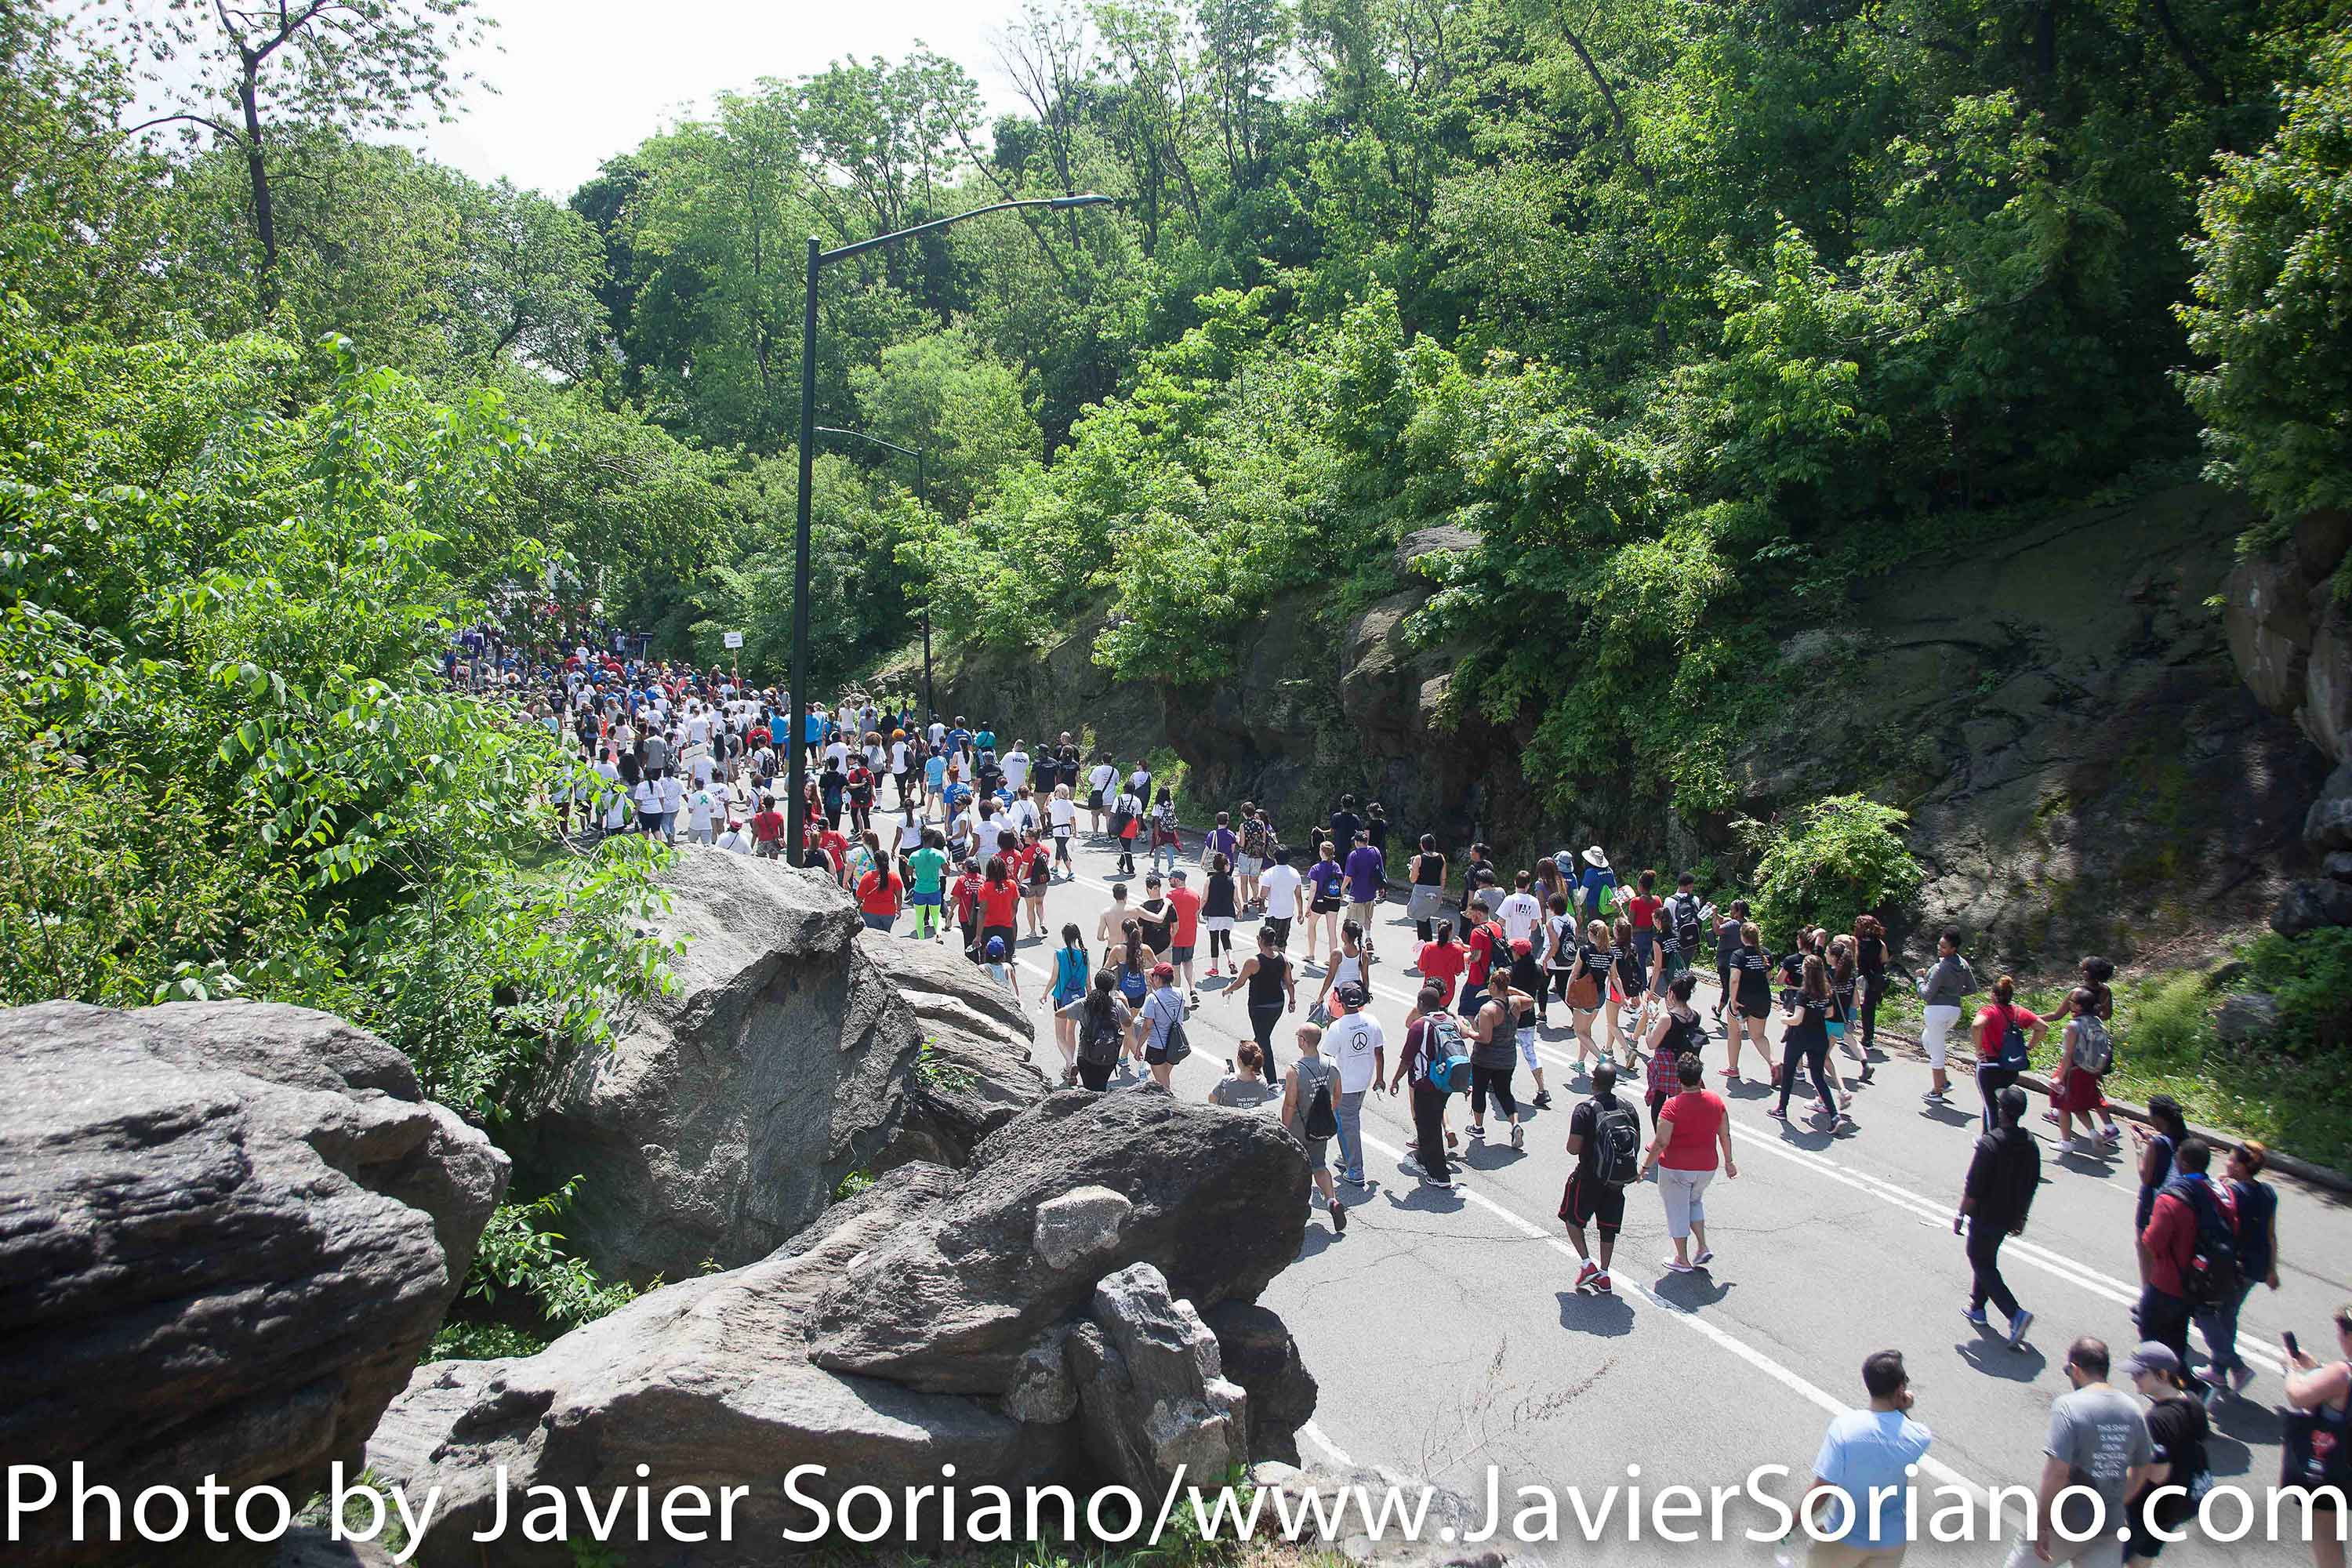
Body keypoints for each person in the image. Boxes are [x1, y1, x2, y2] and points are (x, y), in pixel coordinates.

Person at [2002, 1337, 2153, 1568]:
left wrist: (2042, 1523)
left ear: (2075, 1369)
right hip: (2109, 1525)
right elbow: (2142, 1468)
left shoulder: (2069, 1406)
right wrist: (2118, 1501)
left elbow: (2057, 1472)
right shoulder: (2132, 1409)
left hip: (2066, 1520)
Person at [1802, 1350, 1933, 1568]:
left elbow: (1822, 1491)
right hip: (1890, 1543)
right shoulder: (1920, 1437)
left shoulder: (1845, 1429)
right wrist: (1902, 1408)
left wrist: (1794, 1522)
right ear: (1900, 1388)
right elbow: (1902, 1431)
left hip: (1842, 1536)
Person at [2136, 1137, 2234, 1399]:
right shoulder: (2218, 1193)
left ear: (2181, 1162)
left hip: (2167, 1282)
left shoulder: (2172, 1198)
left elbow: (2152, 1242)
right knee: (2177, 1341)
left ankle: (2168, 1390)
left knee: (2150, 1334)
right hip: (2198, 1284)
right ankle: (2192, 1390)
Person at [1958, 1086, 2040, 1350]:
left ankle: (2015, 1314)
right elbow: (2031, 1184)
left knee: (1979, 1260)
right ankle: (1977, 1307)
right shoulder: (2030, 1144)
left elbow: (1973, 1186)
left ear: (2002, 1111)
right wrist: (2022, 1216)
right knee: (1987, 1258)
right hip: (2010, 1215)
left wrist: (1961, 1212)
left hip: (1986, 1215)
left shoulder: (1990, 1144)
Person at [2200, 1140, 2280, 1403]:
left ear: (2244, 1168)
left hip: (2235, 1265)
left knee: (2207, 1314)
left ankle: (2237, 1368)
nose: (2227, 1162)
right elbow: (2270, 1234)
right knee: (2228, 1314)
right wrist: (2272, 1269)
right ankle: (2218, 1371)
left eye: (2232, 1160)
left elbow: (2220, 1221)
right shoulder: (2267, 1192)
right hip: (2256, 1265)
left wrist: (2220, 1187)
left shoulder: (2234, 1193)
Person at [1641, 1053, 1734, 1274]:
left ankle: (1682, 1259)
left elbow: (1661, 1141)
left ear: (1678, 1079)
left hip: (1676, 1167)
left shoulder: (1672, 1106)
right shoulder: (1716, 1101)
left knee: (1676, 1210)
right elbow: (1725, 1135)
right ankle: (1701, 1247)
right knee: (1694, 1203)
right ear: (1700, 1077)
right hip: (1707, 1167)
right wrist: (1729, 1162)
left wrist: (1645, 1166)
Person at [2121, 1342, 2209, 1566]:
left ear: (2162, 1374)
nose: (2133, 1378)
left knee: (2101, 1558)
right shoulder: (2193, 1401)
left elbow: (2157, 1474)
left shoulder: (2156, 1421)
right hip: (2181, 1503)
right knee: (2142, 1559)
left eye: (2139, 1373)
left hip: (2150, 1509)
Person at [2281, 1306, 2352, 1568]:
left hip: (2333, 1464)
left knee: (2325, 1530)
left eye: (2340, 1333)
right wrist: (2317, 1369)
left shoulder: (2342, 1372)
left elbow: (2298, 1396)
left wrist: (2292, 1370)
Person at [1563, 1062, 1639, 1295]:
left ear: (1593, 1081)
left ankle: (1587, 1265)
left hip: (1589, 1177)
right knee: (1608, 1228)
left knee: (1572, 1219)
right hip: (1617, 1180)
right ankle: (1604, 1274)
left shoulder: (1585, 1110)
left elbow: (1573, 1149)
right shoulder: (1628, 1107)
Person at [1389, 982, 1460, 1189]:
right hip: (1446, 1081)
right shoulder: (1450, 1021)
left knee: (1427, 1126)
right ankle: (1424, 1155)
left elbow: (1407, 1059)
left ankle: (1440, 1175)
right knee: (1434, 1118)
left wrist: (1395, 1080)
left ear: (1421, 1003)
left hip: (1425, 1083)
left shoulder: (1420, 1025)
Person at [1279, 1023, 1347, 1233]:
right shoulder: (1332, 1065)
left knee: (1295, 1169)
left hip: (1299, 1128)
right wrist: (1327, 1114)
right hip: (1321, 1127)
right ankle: (1331, 1201)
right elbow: (1338, 1096)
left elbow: (1290, 1103)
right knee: (1319, 1165)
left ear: (1303, 1041)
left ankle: (1296, 1210)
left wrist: (1284, 1129)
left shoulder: (1295, 1070)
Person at [1773, 954, 1849, 1129]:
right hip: (1819, 1037)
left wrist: (1785, 1018)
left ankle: (1782, 1108)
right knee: (1818, 1077)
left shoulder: (1803, 993)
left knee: (1790, 1072)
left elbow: (1798, 1019)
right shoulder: (1826, 992)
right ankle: (1835, 1116)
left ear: (1806, 972)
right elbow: (1829, 1014)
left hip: (1799, 1037)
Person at [1323, 983, 1385, 1188]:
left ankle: (1355, 1170)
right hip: (1364, 1081)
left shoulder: (1338, 1027)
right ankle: (1346, 1155)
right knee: (1349, 1122)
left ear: (1340, 1001)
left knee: (1347, 1125)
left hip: (1345, 1085)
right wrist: (1379, 1079)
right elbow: (1379, 1052)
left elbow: (1327, 1059)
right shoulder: (1372, 1021)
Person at [1971, 975, 2045, 1130]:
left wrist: (1978, 1050)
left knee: (1990, 1105)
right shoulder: (2019, 1012)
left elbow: (1977, 1026)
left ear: (1993, 995)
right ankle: (2005, 1133)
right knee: (2002, 1104)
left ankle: (1991, 1140)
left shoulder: (1990, 1011)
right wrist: (2028, 1047)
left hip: (1988, 1065)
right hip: (2011, 1067)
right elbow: (2042, 1027)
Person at [1917, 927, 1976, 1106]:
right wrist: (1954, 994)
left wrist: (1919, 979)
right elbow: (1972, 988)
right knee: (1928, 1040)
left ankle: (1937, 1090)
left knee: (1936, 1050)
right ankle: (1943, 1081)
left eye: (1943, 947)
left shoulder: (1939, 968)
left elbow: (1926, 994)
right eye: (1939, 944)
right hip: (1954, 1011)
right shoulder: (1963, 964)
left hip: (1937, 1012)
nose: (1939, 948)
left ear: (1953, 949)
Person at [1467, 968, 1525, 1148]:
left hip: (1485, 1059)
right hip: (1507, 1058)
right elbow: (1530, 999)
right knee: (1504, 1092)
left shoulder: (1488, 1010)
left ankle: (1478, 1126)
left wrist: (1467, 1031)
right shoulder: (1516, 1004)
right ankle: (1515, 1124)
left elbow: (1485, 1038)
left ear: (1493, 985)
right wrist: (1511, 990)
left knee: (1479, 1090)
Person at [2051, 988, 2112, 1154]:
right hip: (2090, 1071)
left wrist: (2059, 1077)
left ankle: (2066, 1142)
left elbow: (2068, 1054)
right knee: (2079, 1104)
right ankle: (2093, 1132)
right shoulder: (2098, 1022)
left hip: (2073, 1071)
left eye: (2072, 1002)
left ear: (2078, 1007)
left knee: (2063, 1105)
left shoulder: (2074, 1026)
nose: (2070, 1004)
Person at [1642, 975, 1704, 1131]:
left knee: (1659, 1104)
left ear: (1671, 993)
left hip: (1666, 1067)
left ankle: (1661, 1138)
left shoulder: (1666, 1018)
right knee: (1679, 1104)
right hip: (1685, 1064)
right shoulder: (1696, 1015)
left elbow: (1651, 1043)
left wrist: (1650, 1020)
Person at [1235, 923, 1297, 1076]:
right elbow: (1289, 982)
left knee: (1264, 1041)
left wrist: (1227, 990)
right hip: (1278, 1005)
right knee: (1262, 1036)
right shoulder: (1283, 958)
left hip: (1259, 1007)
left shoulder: (1253, 961)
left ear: (1259, 940)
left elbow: (1240, 982)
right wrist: (1292, 1001)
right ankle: (1251, 1063)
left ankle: (1271, 1080)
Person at [2132, 1095, 2192, 1235]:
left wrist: (2138, 1147)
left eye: (2151, 1115)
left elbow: (2145, 1177)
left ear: (2159, 1119)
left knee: (2145, 1245)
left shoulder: (2157, 1144)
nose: (2149, 1118)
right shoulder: (2187, 1140)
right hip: (2177, 1203)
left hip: (2153, 1204)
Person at [1726, 920, 1774, 1083]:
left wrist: (1733, 1000)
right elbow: (1769, 976)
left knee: (1734, 1033)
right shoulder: (1766, 953)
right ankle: (1773, 1062)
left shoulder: (1738, 955)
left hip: (1742, 1001)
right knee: (1758, 1036)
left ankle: (1733, 1068)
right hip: (1763, 999)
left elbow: (1734, 979)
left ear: (1742, 937)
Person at [1048, 925, 1092, 1086]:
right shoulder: (1085, 954)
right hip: (1079, 998)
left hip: (1062, 997)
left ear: (1064, 937)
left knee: (1060, 1035)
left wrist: (1045, 993)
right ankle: (1069, 1068)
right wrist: (1092, 997)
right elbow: (1088, 981)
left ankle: (1070, 1063)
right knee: (1071, 1031)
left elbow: (1054, 978)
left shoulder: (1059, 954)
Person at [1138, 962, 1186, 1088]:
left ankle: (1171, 1107)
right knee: (1165, 1078)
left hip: (1157, 1046)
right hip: (1175, 1044)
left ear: (1158, 978)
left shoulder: (1152, 999)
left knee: (1163, 1085)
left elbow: (1147, 1026)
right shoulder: (1181, 993)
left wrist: (1138, 1047)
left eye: (1154, 975)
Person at [1305, 840, 1348, 965]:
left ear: (1322, 852)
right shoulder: (1337, 866)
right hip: (1333, 901)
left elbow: (1313, 889)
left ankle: (1311, 954)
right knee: (1332, 930)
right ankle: (1332, 958)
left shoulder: (1316, 868)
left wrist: (1308, 907)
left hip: (1319, 901)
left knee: (1311, 925)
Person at [1343, 831, 1385, 957]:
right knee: (1367, 918)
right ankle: (1368, 938)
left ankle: (1359, 943)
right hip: (1371, 892)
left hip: (1357, 892)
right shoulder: (1375, 851)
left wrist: (1342, 888)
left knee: (1352, 920)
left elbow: (1349, 875)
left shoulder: (1354, 855)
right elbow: (1381, 871)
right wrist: (1382, 887)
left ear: (1357, 842)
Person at [1166, 866, 1204, 1002]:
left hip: (1176, 937)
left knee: (1175, 967)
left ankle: (1178, 996)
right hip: (1190, 936)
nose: (1169, 881)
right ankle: (1192, 989)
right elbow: (1196, 914)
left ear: (1176, 880)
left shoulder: (1170, 896)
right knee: (1188, 962)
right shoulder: (1195, 894)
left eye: (1170, 878)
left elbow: (1167, 917)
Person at [1259, 847, 1305, 951]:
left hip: (1273, 913)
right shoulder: (1295, 873)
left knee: (1268, 942)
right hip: (1288, 912)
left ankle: (1268, 963)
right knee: (1282, 941)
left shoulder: (1269, 873)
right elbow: (1298, 895)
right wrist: (1300, 912)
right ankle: (1282, 963)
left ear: (1275, 858)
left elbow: (1263, 894)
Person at [1209, 1043, 1279, 1109]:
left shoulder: (1227, 1081)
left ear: (1239, 1060)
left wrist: (1228, 1076)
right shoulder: (1263, 1082)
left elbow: (1211, 1099)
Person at [1417, 918, 1467, 1011]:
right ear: (1451, 932)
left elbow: (1421, 969)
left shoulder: (1428, 946)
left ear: (1438, 930)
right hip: (1447, 992)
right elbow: (1458, 972)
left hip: (1430, 991)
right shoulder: (1458, 949)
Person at [1407, 836, 1449, 943]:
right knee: (1425, 919)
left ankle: (1425, 951)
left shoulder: (1418, 858)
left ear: (1422, 845)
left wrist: (1412, 868)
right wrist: (1440, 893)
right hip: (1436, 892)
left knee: (1421, 922)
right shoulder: (1441, 857)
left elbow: (1413, 879)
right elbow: (1443, 878)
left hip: (1421, 892)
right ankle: (1428, 948)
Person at [855, 853, 902, 934]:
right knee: (886, 934)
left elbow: (859, 897)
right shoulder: (894, 876)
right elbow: (899, 897)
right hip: (888, 912)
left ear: (875, 862)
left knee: (873, 934)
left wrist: (855, 908)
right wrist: (898, 909)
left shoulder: (867, 876)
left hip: (869, 912)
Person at [982, 935, 1020, 999]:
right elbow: (1015, 990)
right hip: (1007, 999)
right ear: (1003, 954)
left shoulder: (983, 968)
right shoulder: (1008, 967)